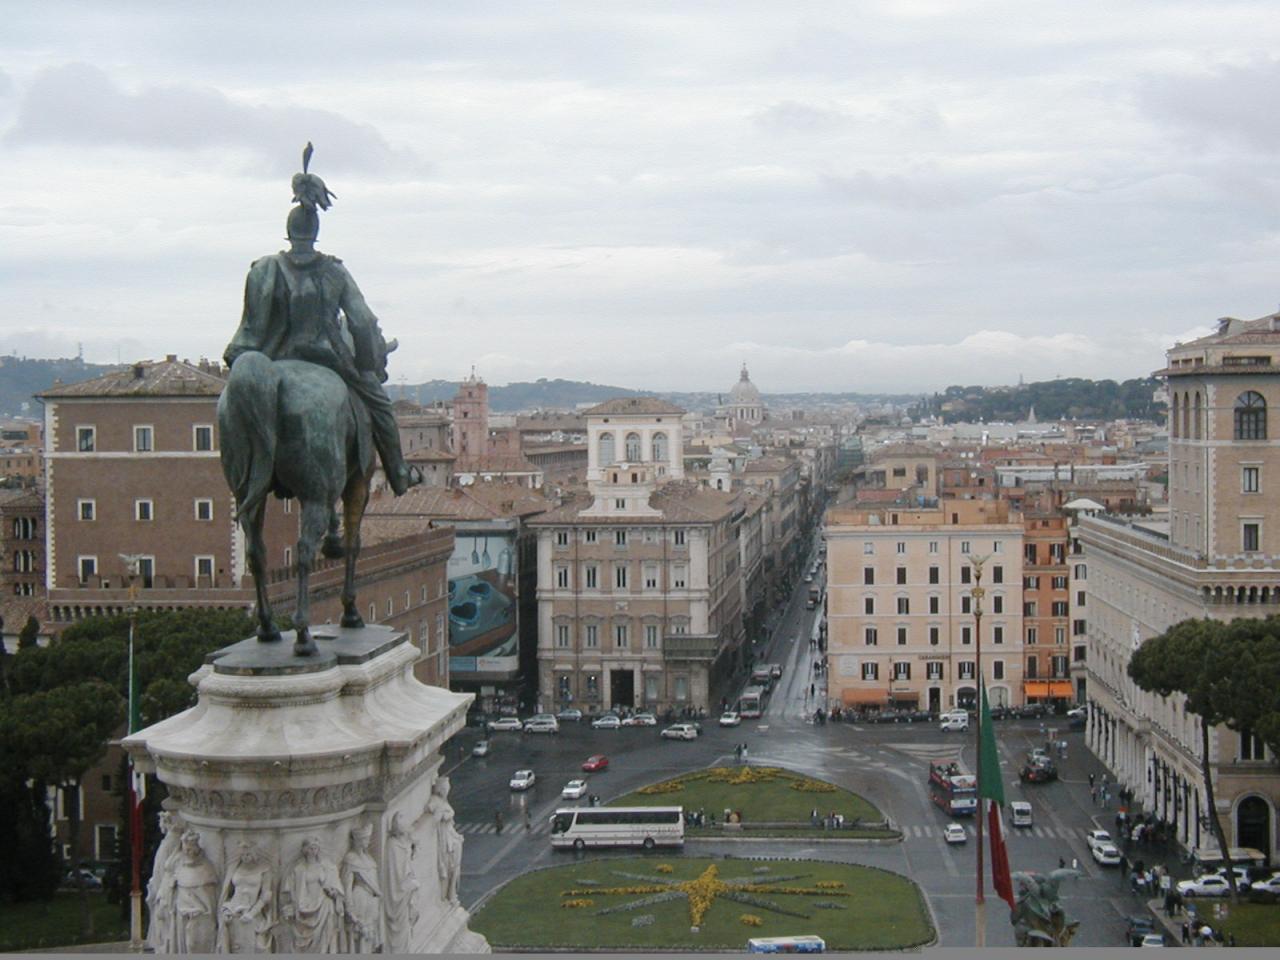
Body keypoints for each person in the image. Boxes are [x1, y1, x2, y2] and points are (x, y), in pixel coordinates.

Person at [222, 148, 422, 496]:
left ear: (289, 232)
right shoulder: (333, 271)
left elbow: (250, 328)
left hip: (269, 358)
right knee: (380, 406)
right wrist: (365, 365)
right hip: (325, 359)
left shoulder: (262, 270)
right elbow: (362, 321)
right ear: (314, 231)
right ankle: (400, 473)